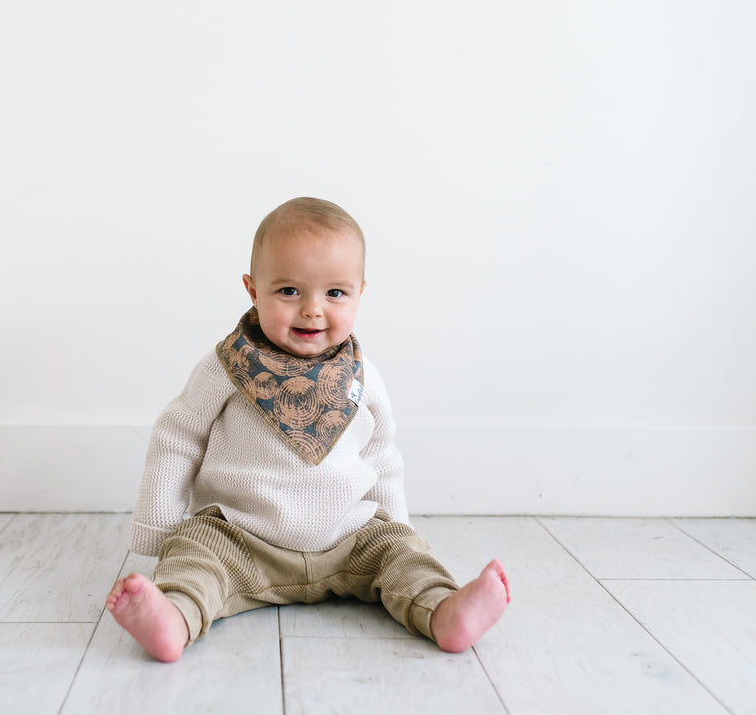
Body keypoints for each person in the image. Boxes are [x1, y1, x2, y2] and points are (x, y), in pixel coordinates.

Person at [106, 197, 509, 662]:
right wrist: (158, 527)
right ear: (253, 289)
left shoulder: (363, 376)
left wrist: (399, 527)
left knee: (403, 558)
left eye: (335, 293)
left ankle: (443, 610)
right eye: (290, 291)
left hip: (348, 537)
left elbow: (381, 454)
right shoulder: (226, 368)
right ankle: (173, 618)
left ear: (360, 292)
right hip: (242, 535)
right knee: (195, 556)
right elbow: (177, 438)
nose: (313, 310)